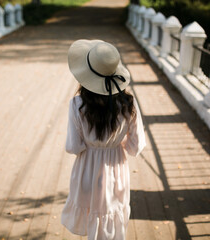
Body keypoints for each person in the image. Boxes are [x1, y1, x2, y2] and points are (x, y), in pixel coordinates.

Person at [61, 39, 146, 240]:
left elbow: (74, 146)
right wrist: (116, 144)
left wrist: (94, 144)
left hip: (87, 168)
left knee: (91, 212)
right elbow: (136, 146)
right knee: (111, 216)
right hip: (116, 167)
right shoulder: (128, 103)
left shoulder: (77, 103)